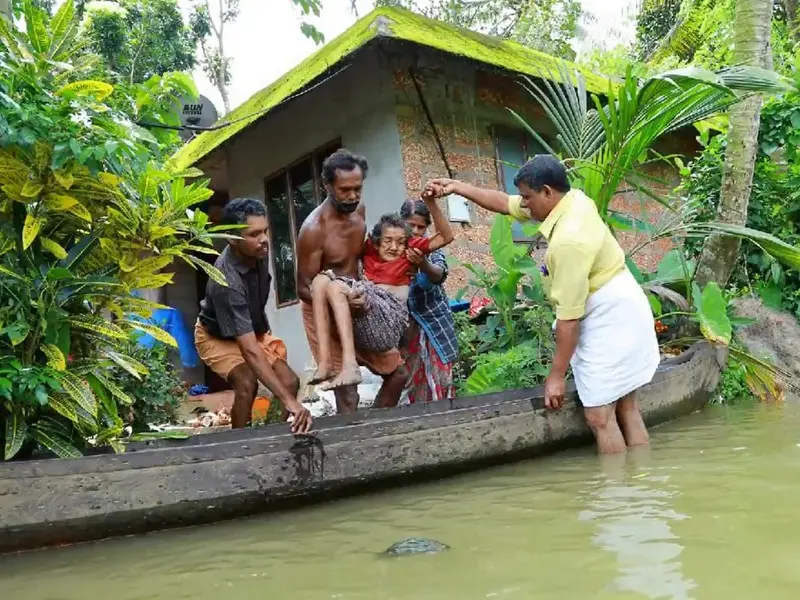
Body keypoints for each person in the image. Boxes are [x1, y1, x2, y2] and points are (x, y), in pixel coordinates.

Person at [424, 155, 660, 454]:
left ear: (548, 191)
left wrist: (556, 377)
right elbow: (503, 203)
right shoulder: (573, 199)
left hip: (609, 315)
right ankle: (643, 484)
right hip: (625, 300)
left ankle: (614, 498)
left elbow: (569, 321)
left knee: (600, 417)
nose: (523, 204)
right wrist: (458, 187)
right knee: (626, 405)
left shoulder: (569, 241)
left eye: (528, 197)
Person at [296, 148, 408, 413]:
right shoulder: (314, 230)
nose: (353, 195)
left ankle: (375, 433)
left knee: (399, 373)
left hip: (356, 301)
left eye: (357, 188)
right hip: (322, 307)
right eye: (345, 189)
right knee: (347, 395)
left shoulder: (360, 212)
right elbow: (303, 287)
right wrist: (340, 303)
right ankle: (352, 448)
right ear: (327, 185)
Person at [308, 196, 454, 390]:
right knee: (320, 281)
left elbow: (446, 238)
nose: (394, 247)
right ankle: (325, 363)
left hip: (389, 321)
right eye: (387, 241)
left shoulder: (410, 252)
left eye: (401, 242)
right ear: (375, 243)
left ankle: (350, 366)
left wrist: (432, 203)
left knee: (337, 287)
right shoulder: (368, 251)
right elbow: (351, 232)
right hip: (368, 319)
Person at [194, 197, 312, 433]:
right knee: (247, 383)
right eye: (254, 234)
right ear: (232, 239)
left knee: (289, 382)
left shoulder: (258, 252)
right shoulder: (226, 281)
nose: (264, 240)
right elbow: (249, 350)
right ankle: (241, 444)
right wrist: (291, 403)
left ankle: (273, 436)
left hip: (251, 331)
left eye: (265, 231)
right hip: (216, 337)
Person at [401, 199, 459, 404]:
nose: (416, 231)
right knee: (411, 382)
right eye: (411, 225)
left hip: (435, 325)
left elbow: (438, 275)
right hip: (407, 330)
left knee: (441, 380)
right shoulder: (392, 247)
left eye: (421, 226)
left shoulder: (430, 247)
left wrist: (423, 264)